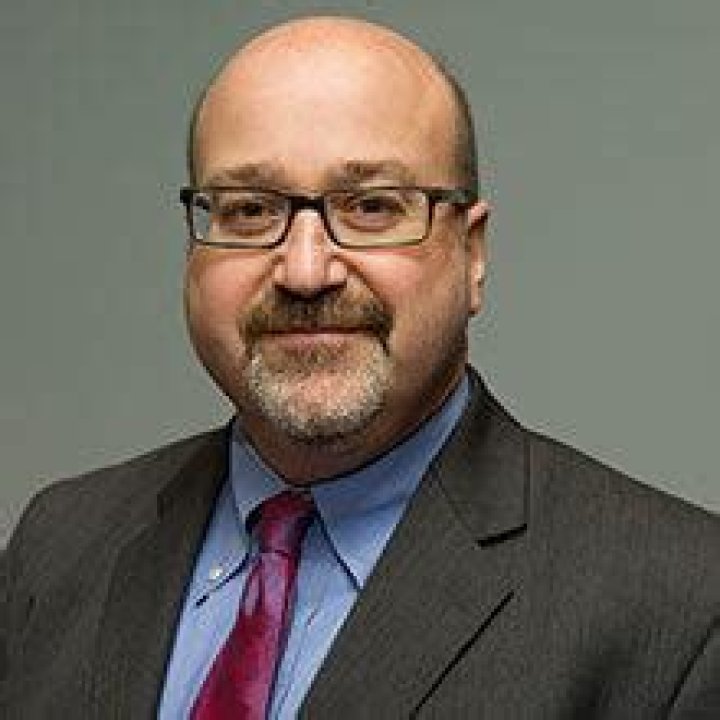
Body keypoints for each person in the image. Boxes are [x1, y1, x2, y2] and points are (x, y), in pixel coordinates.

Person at [2, 14, 719, 719]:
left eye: (372, 207)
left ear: (472, 254)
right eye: (249, 211)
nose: (306, 271)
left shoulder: (682, 602)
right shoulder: (61, 541)